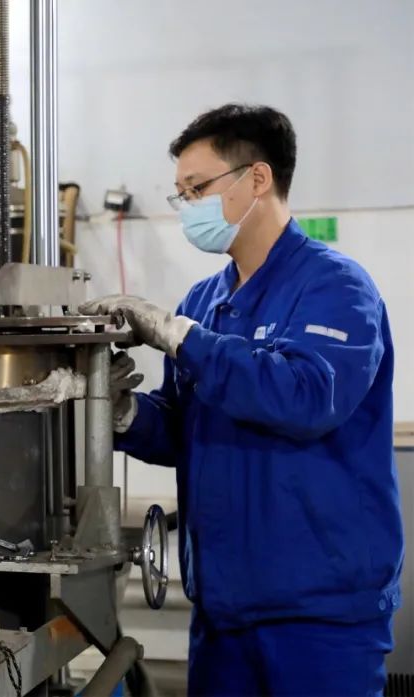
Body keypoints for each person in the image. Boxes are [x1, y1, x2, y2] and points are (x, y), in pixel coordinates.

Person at [82, 104, 403, 696]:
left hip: (318, 616)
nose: (187, 208)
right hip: (224, 610)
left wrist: (180, 337)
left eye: (197, 189)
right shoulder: (204, 300)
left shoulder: (336, 286)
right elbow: (187, 428)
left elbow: (305, 397)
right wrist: (123, 413)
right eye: (181, 194)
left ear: (257, 178)